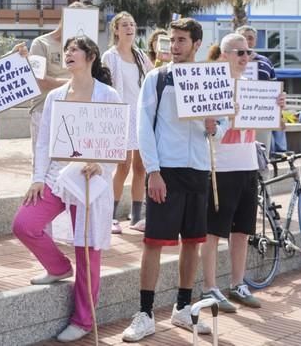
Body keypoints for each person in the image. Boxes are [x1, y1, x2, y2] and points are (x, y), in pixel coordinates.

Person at [122, 18, 225, 342]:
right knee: (153, 242)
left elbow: (218, 130)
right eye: (172, 40)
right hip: (166, 170)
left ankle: (182, 307)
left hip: (198, 171)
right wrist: (153, 170)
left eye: (181, 41)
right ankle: (145, 312)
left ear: (196, 44)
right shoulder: (157, 78)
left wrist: (214, 127)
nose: (175, 47)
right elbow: (143, 127)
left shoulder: (211, 79)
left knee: (193, 241)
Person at [12, 36, 117, 343]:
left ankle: (84, 320)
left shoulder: (108, 95)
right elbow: (44, 140)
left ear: (91, 56)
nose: (69, 54)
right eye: (67, 50)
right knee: (24, 224)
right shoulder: (57, 96)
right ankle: (58, 267)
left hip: (90, 181)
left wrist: (101, 164)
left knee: (88, 251)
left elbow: (117, 139)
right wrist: (37, 178)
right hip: (58, 177)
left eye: (75, 50)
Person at [199, 33, 284, 313]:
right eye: (239, 53)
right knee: (213, 232)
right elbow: (210, 132)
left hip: (248, 167)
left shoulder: (252, 86)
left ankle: (237, 284)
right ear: (224, 55)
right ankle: (209, 287)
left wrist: (277, 109)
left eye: (248, 52)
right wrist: (225, 121)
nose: (245, 58)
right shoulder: (214, 86)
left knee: (242, 232)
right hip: (221, 169)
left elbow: (277, 126)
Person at [101, 12, 153, 234]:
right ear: (116, 30)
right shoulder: (109, 56)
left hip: (140, 115)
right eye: (124, 25)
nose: (130, 28)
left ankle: (136, 216)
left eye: (132, 24)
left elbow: (152, 77)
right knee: (122, 166)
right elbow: (104, 86)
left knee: (140, 167)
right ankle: (110, 216)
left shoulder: (141, 55)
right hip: (120, 116)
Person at [29, 1, 85, 165]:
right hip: (44, 109)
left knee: (72, 164)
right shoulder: (40, 43)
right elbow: (40, 81)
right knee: (42, 163)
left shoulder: (84, 49)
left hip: (74, 111)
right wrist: (74, 83)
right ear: (64, 17)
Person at [236, 25, 287, 153]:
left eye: (250, 38)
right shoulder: (228, 61)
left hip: (262, 118)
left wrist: (279, 115)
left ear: (255, 40)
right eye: (244, 37)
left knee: (263, 158)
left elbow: (275, 91)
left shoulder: (266, 62)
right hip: (237, 118)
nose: (247, 40)